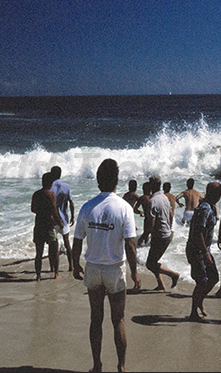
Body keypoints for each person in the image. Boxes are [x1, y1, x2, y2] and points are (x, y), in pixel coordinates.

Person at [72, 158, 141, 373]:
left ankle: (97, 366)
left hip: (92, 268)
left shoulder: (87, 207)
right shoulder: (123, 207)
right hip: (114, 269)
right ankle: (121, 367)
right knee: (118, 319)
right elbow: (130, 244)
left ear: (98, 180)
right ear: (116, 180)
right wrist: (135, 272)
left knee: (96, 320)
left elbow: (77, 241)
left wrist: (75, 265)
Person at [186, 182, 221, 321]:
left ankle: (199, 301)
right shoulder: (206, 208)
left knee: (214, 278)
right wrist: (205, 253)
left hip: (203, 249)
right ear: (217, 195)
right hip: (197, 250)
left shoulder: (209, 206)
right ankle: (193, 312)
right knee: (202, 281)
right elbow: (198, 233)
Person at [145, 175, 180, 291]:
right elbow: (171, 214)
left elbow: (151, 223)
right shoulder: (165, 198)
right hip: (165, 234)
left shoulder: (153, 201)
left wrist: (144, 236)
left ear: (151, 185)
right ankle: (161, 284)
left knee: (150, 264)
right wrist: (169, 228)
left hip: (159, 236)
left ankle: (173, 274)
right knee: (154, 261)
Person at [31, 172, 65, 281]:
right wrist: (60, 222)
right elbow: (54, 212)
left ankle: (38, 275)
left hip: (39, 224)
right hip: (49, 225)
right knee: (54, 250)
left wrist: (41, 212)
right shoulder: (51, 195)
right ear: (50, 183)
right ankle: (56, 273)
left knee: (39, 253)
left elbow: (33, 209)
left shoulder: (36, 194)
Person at [50, 166, 75, 272]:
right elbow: (71, 203)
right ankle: (71, 266)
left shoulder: (50, 187)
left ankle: (53, 268)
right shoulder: (66, 186)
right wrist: (73, 216)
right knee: (67, 243)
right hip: (64, 219)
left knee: (53, 246)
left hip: (53, 219)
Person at [133, 181, 152, 247]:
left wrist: (140, 212)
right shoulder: (153, 197)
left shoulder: (142, 198)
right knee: (152, 238)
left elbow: (135, 210)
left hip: (147, 220)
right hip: (155, 220)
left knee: (144, 237)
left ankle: (139, 251)